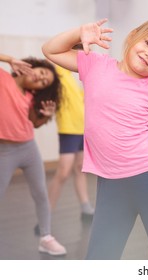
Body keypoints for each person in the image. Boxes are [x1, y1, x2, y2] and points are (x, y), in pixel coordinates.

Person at [42, 18, 148, 260]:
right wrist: (78, 33)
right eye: (147, 43)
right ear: (133, 35)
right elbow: (50, 50)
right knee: (100, 257)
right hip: (111, 182)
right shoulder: (95, 65)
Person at [0, 53, 67, 256]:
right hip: (5, 151)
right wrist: (10, 59)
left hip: (29, 149)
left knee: (40, 194)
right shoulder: (3, 78)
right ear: (33, 66)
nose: (40, 79)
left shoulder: (30, 97)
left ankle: (46, 238)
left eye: (44, 82)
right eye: (42, 73)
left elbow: (33, 124)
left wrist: (44, 117)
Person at [47, 64, 95, 218]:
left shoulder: (76, 76)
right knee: (63, 172)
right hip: (68, 129)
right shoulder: (59, 70)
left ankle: (85, 206)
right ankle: (46, 213)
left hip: (83, 129)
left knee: (81, 168)